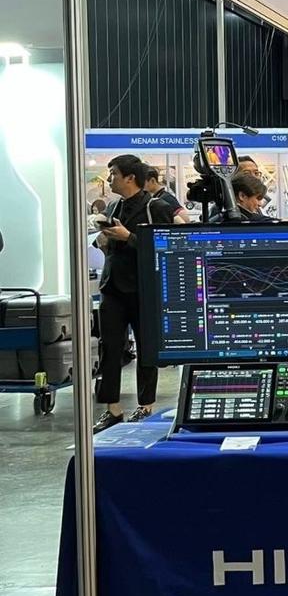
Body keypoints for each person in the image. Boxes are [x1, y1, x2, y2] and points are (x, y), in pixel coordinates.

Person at [92, 154, 176, 432]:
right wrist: (104, 238)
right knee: (110, 348)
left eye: (114, 174)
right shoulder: (114, 206)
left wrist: (128, 236)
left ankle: (146, 405)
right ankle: (112, 408)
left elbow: (163, 247)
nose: (110, 179)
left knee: (146, 348)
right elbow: (109, 246)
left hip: (143, 289)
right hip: (112, 287)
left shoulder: (157, 207)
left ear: (130, 177)